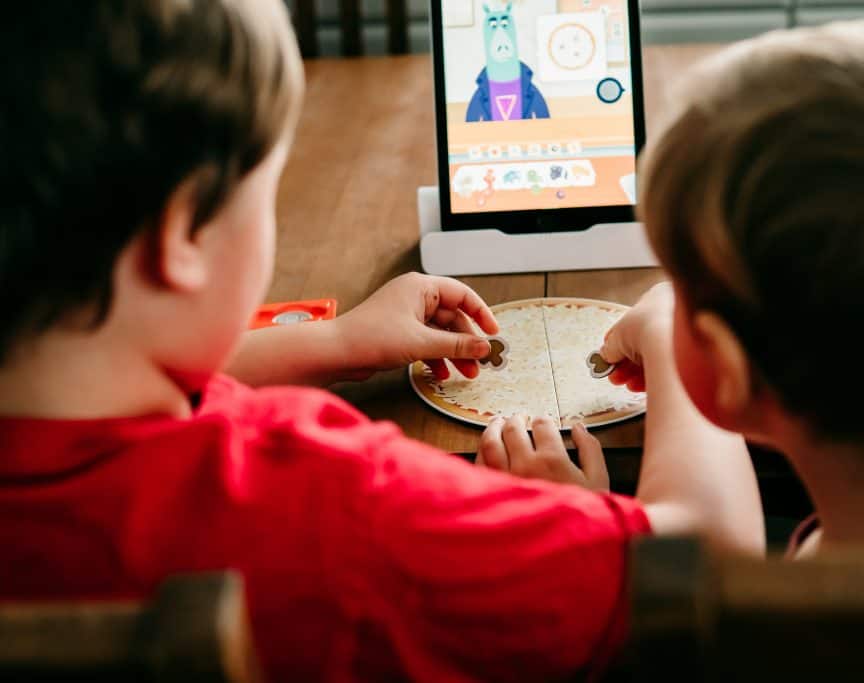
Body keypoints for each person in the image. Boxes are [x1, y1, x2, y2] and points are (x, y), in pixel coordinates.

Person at [0, 1, 761, 680]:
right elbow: (712, 570)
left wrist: (338, 340)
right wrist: (670, 331)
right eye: (267, 198)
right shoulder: (342, 505)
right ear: (181, 236)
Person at [507, 20, 864, 557]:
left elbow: (694, 559)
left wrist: (594, 530)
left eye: (679, 287)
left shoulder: (753, 633)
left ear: (730, 369)